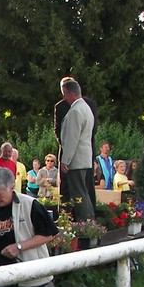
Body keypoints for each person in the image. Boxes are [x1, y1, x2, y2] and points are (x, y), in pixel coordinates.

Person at [54, 76, 98, 208]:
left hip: (76, 159)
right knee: (83, 192)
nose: (64, 96)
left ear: (70, 93)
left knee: (79, 194)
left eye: (64, 93)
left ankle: (85, 219)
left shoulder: (75, 110)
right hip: (85, 156)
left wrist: (65, 160)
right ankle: (88, 218)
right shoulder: (86, 107)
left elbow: (71, 138)